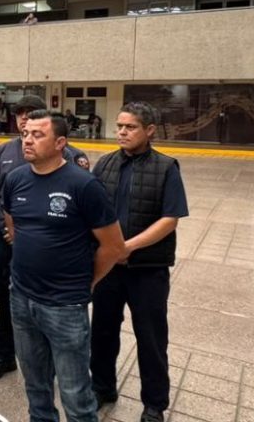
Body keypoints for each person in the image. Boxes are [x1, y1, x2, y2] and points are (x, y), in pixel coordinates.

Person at [4, 110, 126, 422]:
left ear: (60, 143)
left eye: (38, 135)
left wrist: (87, 281)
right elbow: (13, 225)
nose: (27, 140)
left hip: (64, 305)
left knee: (75, 393)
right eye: (25, 134)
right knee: (35, 385)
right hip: (21, 297)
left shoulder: (83, 185)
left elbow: (114, 246)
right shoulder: (16, 179)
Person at [0, 95, 88, 383]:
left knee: (48, 309)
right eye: (19, 114)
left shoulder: (70, 155)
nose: (24, 118)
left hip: (51, 251)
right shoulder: (4, 152)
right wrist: (5, 228)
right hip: (7, 244)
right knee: (7, 303)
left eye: (31, 113)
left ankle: (50, 360)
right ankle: (4, 354)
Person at [90, 102, 189, 422]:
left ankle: (154, 404)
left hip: (148, 270)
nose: (122, 132)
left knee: (151, 337)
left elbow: (170, 219)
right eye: (119, 126)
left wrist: (127, 246)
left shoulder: (166, 167)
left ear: (149, 130)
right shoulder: (105, 164)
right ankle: (102, 387)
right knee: (102, 331)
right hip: (108, 268)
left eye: (130, 127)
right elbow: (91, 211)